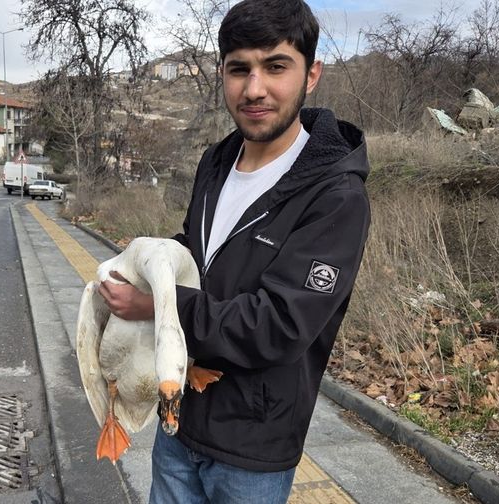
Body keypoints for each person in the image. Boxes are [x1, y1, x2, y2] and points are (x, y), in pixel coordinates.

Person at [98, 0, 371, 501]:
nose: (254, 88)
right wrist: (147, 266)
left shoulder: (335, 196)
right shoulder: (219, 160)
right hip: (179, 413)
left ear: (311, 75)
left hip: (253, 444)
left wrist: (159, 306)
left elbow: (280, 326)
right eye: (239, 69)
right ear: (222, 74)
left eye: (275, 66)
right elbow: (200, 256)